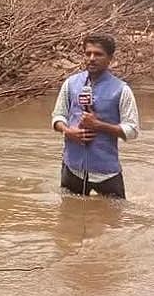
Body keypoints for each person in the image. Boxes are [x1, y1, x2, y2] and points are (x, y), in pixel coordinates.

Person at [51, 32, 140, 199]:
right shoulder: (71, 83)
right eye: (88, 53)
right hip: (72, 168)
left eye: (98, 54)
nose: (92, 58)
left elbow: (132, 130)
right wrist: (68, 131)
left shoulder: (122, 90)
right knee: (68, 217)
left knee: (114, 220)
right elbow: (58, 116)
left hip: (106, 172)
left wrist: (99, 125)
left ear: (110, 58)